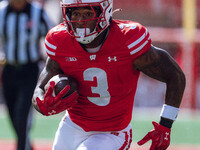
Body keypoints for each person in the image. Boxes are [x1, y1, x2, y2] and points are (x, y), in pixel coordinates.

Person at [32, 0, 186, 149]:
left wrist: (165, 125)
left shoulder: (127, 39)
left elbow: (175, 75)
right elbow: (45, 77)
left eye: (87, 14)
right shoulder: (59, 39)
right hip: (72, 126)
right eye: (75, 13)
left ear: (104, 12)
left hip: (112, 132)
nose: (80, 21)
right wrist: (39, 100)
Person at [0, 0, 54, 149]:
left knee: (22, 116)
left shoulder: (38, 12)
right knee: (13, 116)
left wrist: (50, 66)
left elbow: (54, 37)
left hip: (29, 71)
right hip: (9, 70)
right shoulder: (2, 11)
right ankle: (27, 146)